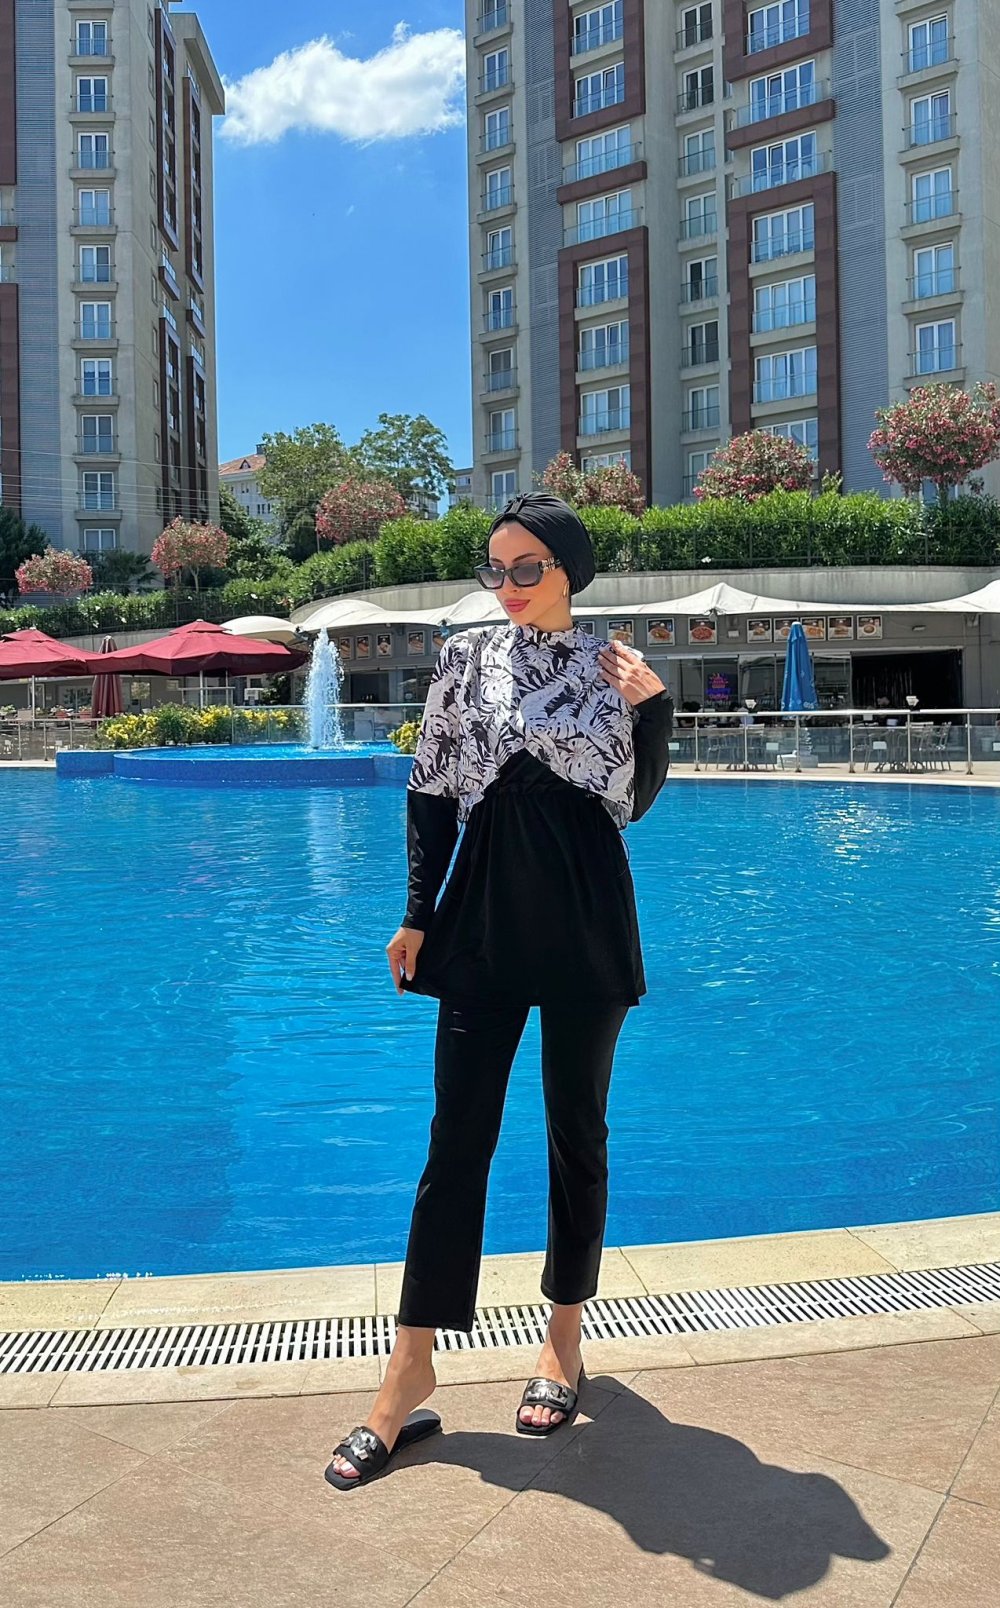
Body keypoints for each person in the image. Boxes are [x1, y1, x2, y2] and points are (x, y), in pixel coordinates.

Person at [325, 491, 674, 1488]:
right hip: (481, 913)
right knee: (456, 1138)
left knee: (577, 1129)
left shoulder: (615, 666)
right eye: (497, 568)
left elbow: (636, 802)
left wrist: (654, 710)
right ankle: (409, 1370)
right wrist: (416, 913)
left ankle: (563, 1340)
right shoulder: (463, 657)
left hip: (585, 911)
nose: (509, 585)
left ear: (568, 570)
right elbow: (432, 792)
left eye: (528, 568)